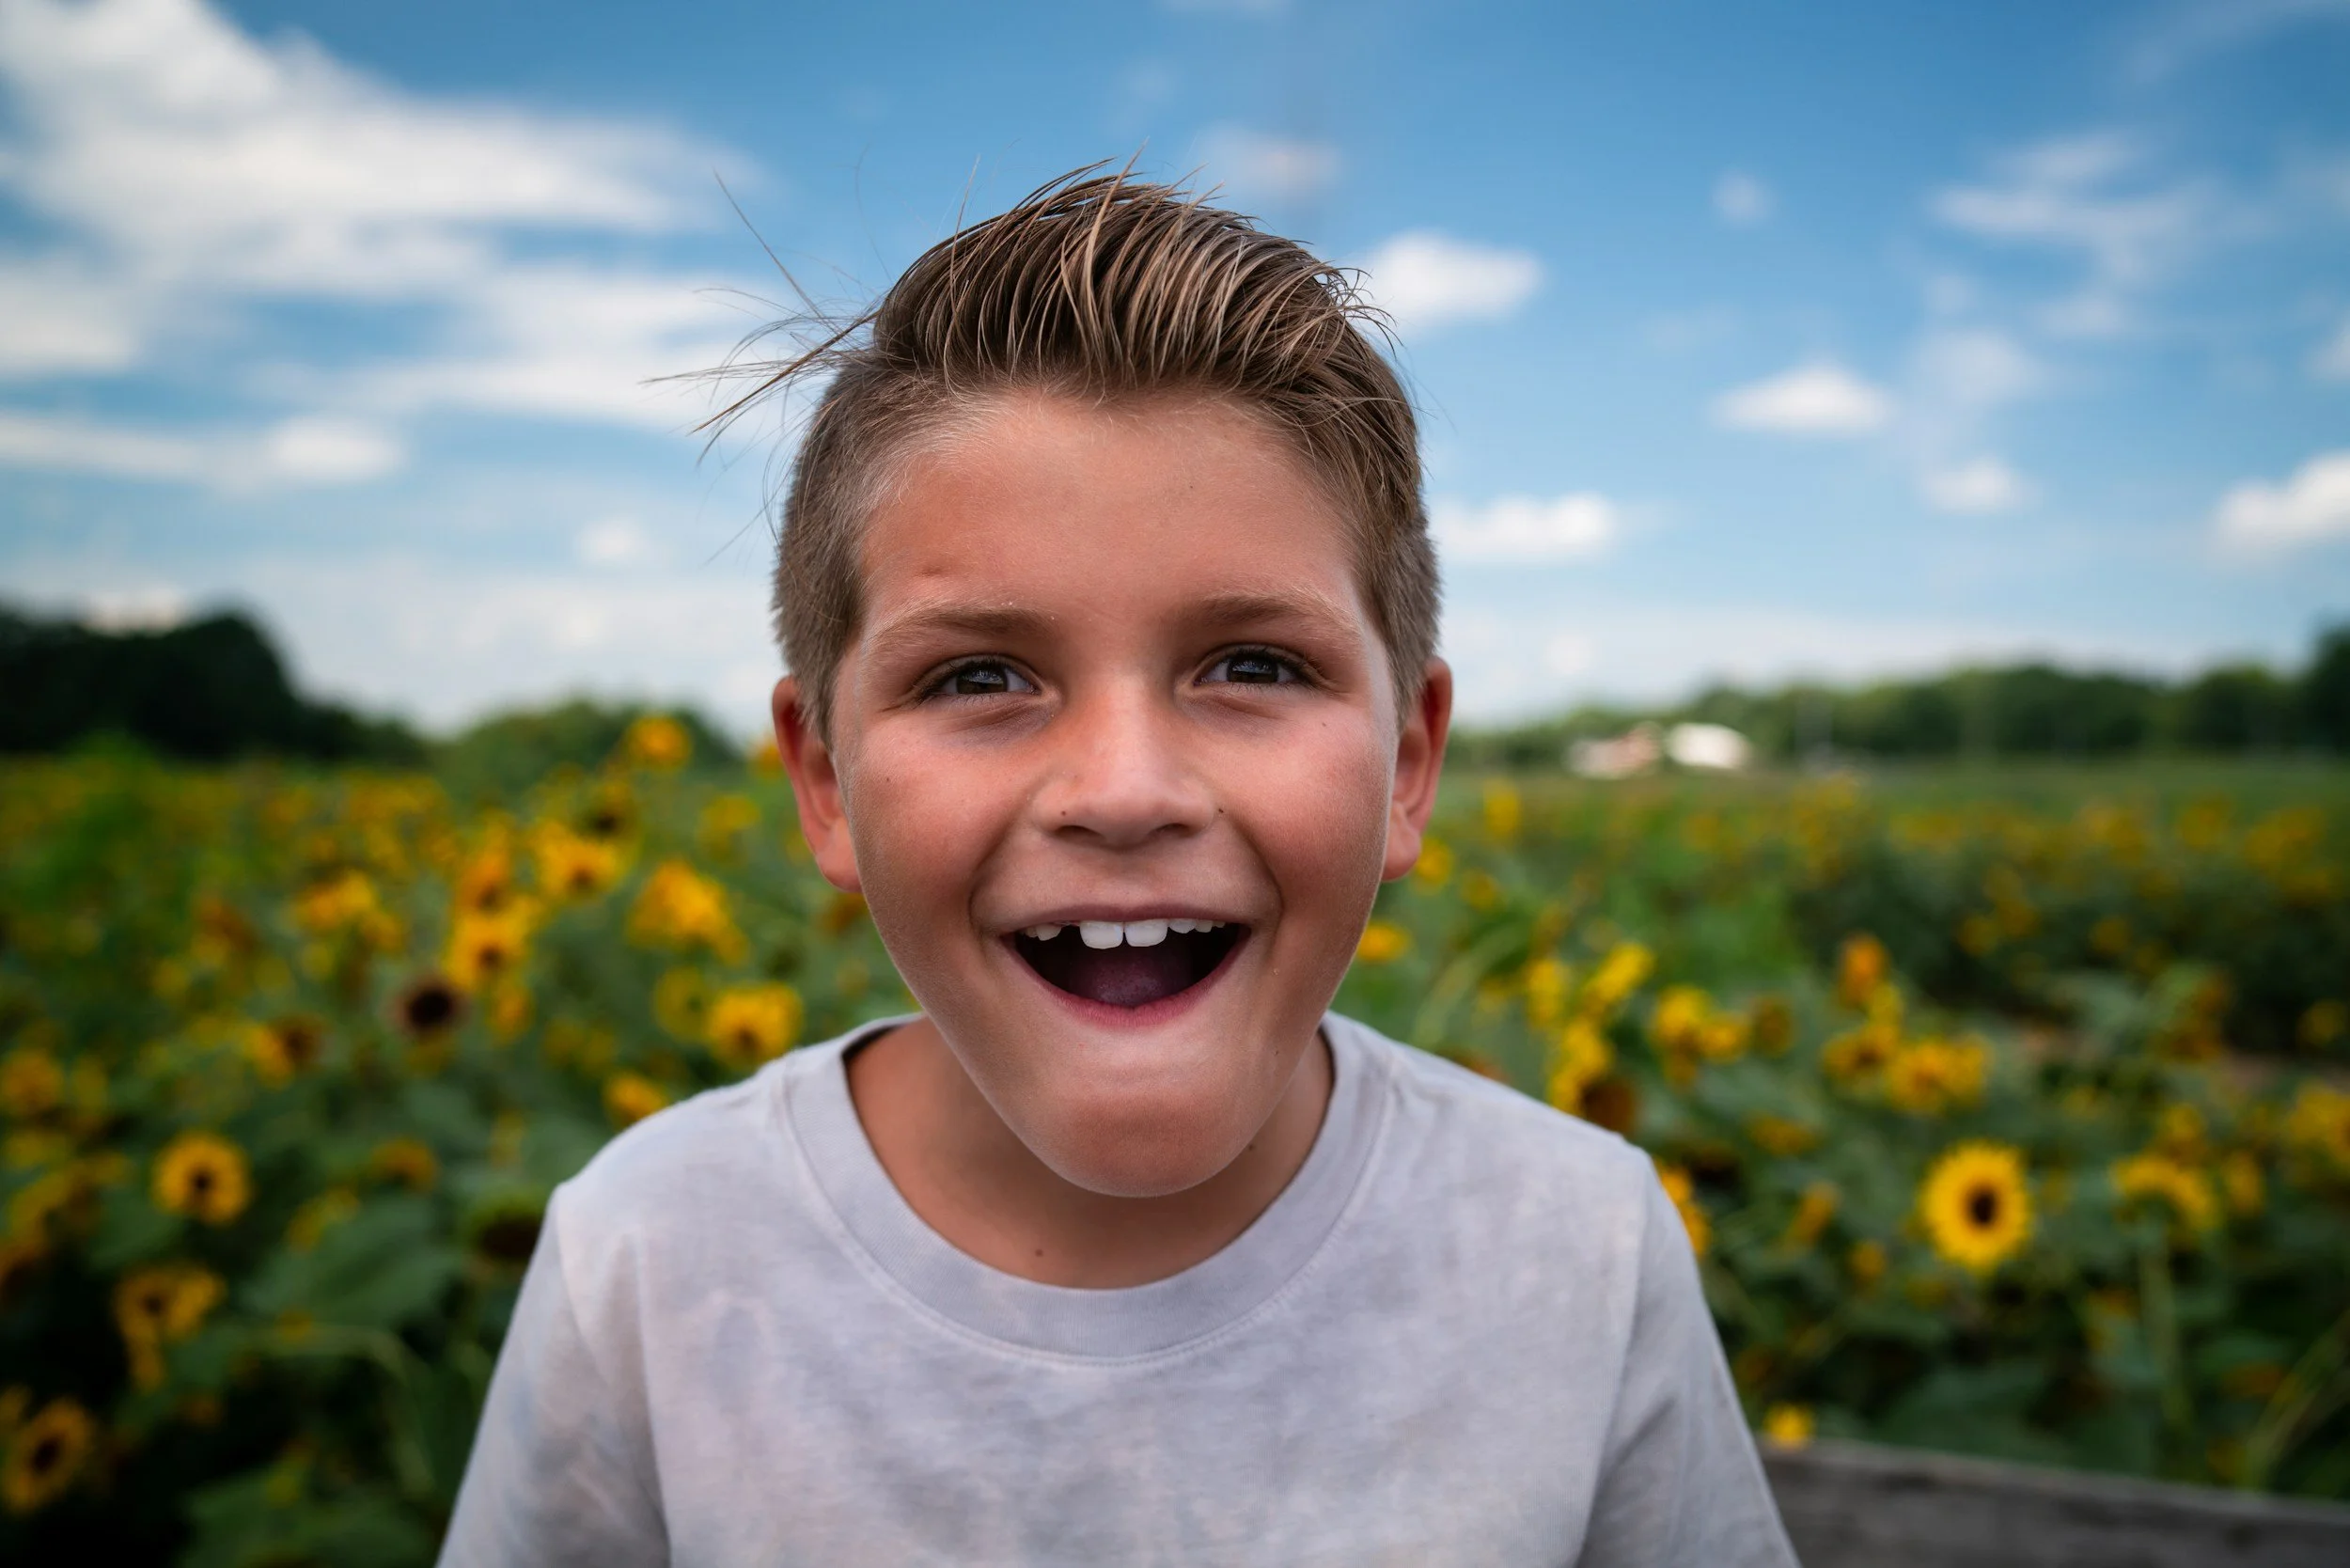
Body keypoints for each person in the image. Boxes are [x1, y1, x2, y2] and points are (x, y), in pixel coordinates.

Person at [439, 168, 1798, 1567]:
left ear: (1406, 762)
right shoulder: (650, 1257)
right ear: (826, 780)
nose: (1126, 791)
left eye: (1254, 666)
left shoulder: (1575, 1244)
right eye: (982, 676)